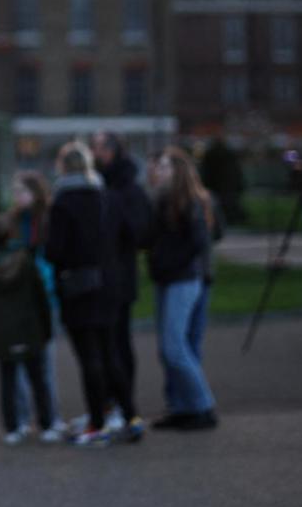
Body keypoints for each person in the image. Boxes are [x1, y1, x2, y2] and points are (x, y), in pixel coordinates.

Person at [45, 142, 143, 447]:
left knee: (90, 357)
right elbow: (130, 236)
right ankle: (130, 416)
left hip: (80, 287)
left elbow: (54, 250)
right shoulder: (108, 197)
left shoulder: (63, 203)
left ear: (63, 166)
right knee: (111, 351)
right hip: (110, 283)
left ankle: (97, 422)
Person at [146, 147, 219, 431]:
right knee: (170, 349)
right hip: (168, 277)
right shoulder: (162, 199)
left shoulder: (190, 200)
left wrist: (167, 260)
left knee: (175, 346)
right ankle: (181, 406)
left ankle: (202, 405)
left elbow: (198, 241)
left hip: (184, 278)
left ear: (178, 172)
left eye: (164, 167)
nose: (158, 171)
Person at [0, 212, 56, 446]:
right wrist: (47, 327)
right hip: (30, 327)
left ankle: (13, 427)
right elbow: (41, 298)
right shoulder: (26, 262)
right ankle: (47, 424)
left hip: (1, 331)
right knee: (38, 378)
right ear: (10, 234)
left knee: (7, 381)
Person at [91, 131, 152, 429]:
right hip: (102, 276)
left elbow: (140, 234)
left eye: (99, 147)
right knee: (104, 346)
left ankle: (124, 405)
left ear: (112, 151)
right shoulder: (103, 184)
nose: (94, 152)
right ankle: (107, 403)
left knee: (117, 344)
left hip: (119, 276)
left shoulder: (127, 190)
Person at [7, 170, 64, 436]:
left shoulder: (48, 220)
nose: (17, 197)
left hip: (43, 296)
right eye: (15, 192)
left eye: (22, 191)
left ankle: (49, 417)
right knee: (17, 360)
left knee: (44, 361)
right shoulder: (14, 221)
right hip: (18, 300)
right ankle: (21, 417)